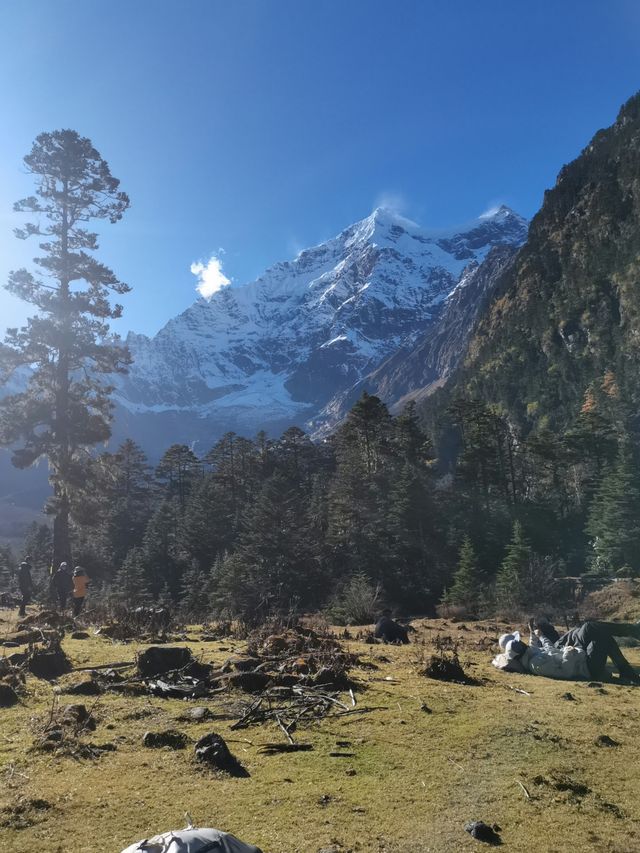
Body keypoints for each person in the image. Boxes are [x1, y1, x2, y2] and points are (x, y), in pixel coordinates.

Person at [493, 621, 640, 684]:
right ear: (516, 655)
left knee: (599, 633)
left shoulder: (530, 653)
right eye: (517, 645)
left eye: (518, 642)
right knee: (592, 630)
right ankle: (632, 630)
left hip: (580, 658)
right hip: (585, 667)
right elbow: (566, 671)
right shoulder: (535, 664)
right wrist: (570, 651)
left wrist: (536, 634)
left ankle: (626, 672)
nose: (520, 644)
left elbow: (547, 649)